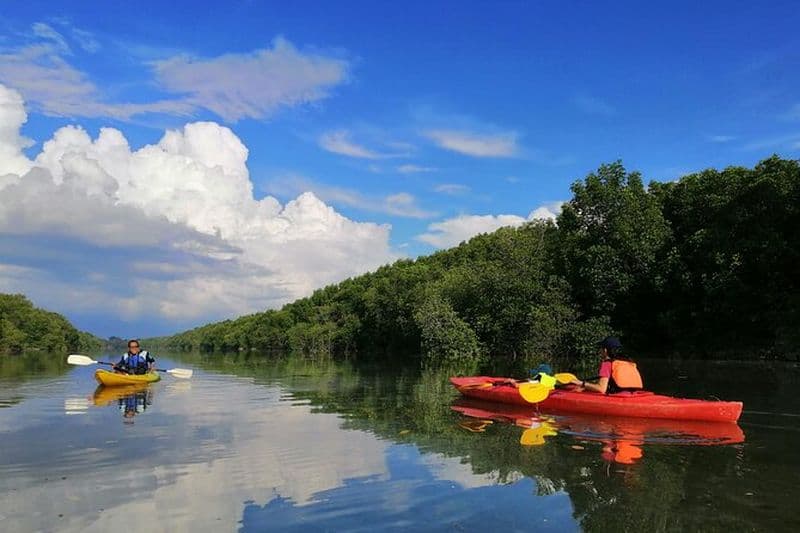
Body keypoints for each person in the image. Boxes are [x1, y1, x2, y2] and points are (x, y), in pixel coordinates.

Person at [571, 336, 643, 394]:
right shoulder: (629, 362)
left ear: (605, 350)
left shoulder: (607, 364)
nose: (600, 351)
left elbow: (601, 389)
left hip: (618, 398)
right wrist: (587, 387)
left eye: (601, 349)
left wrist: (581, 383)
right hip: (633, 395)